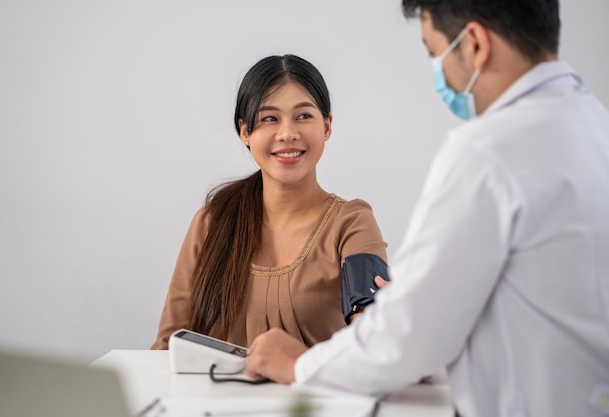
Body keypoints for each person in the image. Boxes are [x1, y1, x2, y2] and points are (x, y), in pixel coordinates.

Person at [244, 2, 609, 417]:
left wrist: (297, 364)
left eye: (435, 52)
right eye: (268, 119)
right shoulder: (596, 128)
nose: (440, 72)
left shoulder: (487, 155)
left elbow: (408, 337)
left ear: (473, 44)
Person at [151, 54, 388, 350]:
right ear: (245, 131)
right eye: (269, 118)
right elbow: (168, 345)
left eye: (303, 116)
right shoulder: (212, 221)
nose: (287, 133)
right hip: (213, 396)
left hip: (313, 397)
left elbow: (373, 332)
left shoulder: (352, 224)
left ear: (327, 126)